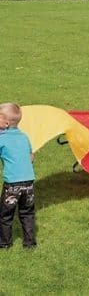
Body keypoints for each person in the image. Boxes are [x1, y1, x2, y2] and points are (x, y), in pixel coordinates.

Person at [0, 103, 37, 249]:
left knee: (5, 215)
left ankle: (4, 244)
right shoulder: (24, 137)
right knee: (27, 213)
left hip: (12, 185)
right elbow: (31, 157)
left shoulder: (2, 139)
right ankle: (29, 244)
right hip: (29, 182)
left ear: (6, 123)